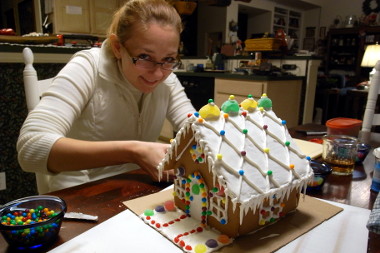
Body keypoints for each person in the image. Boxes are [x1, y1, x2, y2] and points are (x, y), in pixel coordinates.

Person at [17, 0, 195, 194]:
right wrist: (132, 152)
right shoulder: (88, 67)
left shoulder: (167, 80)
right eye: (144, 57)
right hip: (81, 193)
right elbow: (30, 147)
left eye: (168, 59)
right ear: (118, 47)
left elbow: (196, 130)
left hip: (136, 188)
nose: (158, 74)